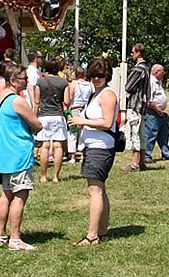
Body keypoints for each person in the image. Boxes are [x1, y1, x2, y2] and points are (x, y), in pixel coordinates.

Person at [0, 63, 43, 251]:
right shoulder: (17, 100)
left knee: (6, 194)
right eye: (23, 78)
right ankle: (15, 238)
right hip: (19, 153)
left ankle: (1, 234)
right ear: (13, 81)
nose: (27, 81)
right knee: (20, 195)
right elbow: (37, 125)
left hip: (3, 153)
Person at [68, 58, 118, 246]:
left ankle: (92, 235)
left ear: (107, 76)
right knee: (100, 190)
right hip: (93, 146)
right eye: (93, 75)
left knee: (94, 191)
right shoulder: (95, 94)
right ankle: (102, 231)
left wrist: (83, 121)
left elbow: (107, 122)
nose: (96, 78)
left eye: (101, 75)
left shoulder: (107, 95)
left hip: (101, 148)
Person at [33, 59, 70, 183]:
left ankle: (43, 176)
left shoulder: (40, 81)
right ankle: (55, 176)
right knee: (58, 146)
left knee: (45, 146)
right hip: (58, 116)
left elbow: (37, 102)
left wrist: (34, 117)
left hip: (44, 116)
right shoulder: (64, 82)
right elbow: (67, 101)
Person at [124, 43, 151, 172]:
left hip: (136, 104)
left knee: (134, 132)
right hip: (143, 105)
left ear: (138, 53)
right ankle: (141, 162)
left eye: (133, 52)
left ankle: (134, 163)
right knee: (141, 134)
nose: (131, 54)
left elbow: (128, 86)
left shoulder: (138, 69)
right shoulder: (146, 68)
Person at [145, 64, 169, 163]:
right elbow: (148, 100)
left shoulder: (159, 82)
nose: (164, 73)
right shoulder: (151, 83)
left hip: (160, 113)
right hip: (152, 112)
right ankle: (146, 155)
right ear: (156, 72)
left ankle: (166, 154)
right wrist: (157, 109)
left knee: (164, 134)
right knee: (150, 134)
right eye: (162, 72)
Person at [67, 67, 94, 163]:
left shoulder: (74, 84)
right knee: (83, 133)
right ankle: (82, 154)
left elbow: (69, 98)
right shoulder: (89, 85)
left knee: (73, 132)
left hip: (75, 108)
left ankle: (73, 156)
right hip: (85, 109)